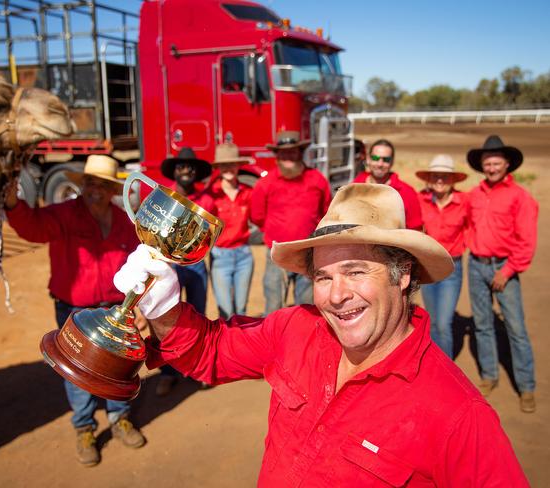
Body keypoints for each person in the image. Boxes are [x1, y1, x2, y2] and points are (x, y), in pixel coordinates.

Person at [113, 183, 528, 487]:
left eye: (356, 271)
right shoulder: (295, 327)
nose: (336, 295)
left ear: (403, 275)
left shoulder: (459, 414)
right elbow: (212, 353)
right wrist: (163, 306)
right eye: (323, 276)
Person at [5, 155, 146, 466]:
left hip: (113, 309)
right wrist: (14, 203)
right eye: (90, 182)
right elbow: (33, 227)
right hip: (73, 308)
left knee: (113, 368)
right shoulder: (64, 214)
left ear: (112, 190)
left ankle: (119, 418)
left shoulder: (124, 221)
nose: (95, 189)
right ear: (82, 185)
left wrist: (136, 305)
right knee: (77, 373)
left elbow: (136, 267)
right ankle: (84, 427)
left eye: (103, 184)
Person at [465, 135, 538, 413]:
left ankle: (526, 385)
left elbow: (526, 241)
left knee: (516, 328)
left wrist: (507, 271)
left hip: (503, 267)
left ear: (507, 164)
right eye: (487, 163)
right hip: (476, 265)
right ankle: (489, 376)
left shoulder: (521, 197)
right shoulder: (474, 194)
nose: (492, 167)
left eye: (496, 163)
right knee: (483, 324)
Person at [156, 146, 215, 396]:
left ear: (196, 172)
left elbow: (210, 235)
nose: (186, 170)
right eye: (181, 166)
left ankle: (196, 368)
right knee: (166, 318)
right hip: (168, 266)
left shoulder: (207, 201)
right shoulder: (164, 197)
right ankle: (169, 372)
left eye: (190, 167)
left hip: (197, 266)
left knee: (196, 318)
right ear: (175, 171)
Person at [251, 130, 331, 315]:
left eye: (293, 151)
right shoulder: (266, 183)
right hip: (276, 253)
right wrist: (276, 232)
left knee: (307, 306)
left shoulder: (317, 179)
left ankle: (303, 341)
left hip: (308, 251)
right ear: (277, 156)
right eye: (284, 152)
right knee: (273, 304)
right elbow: (257, 216)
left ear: (300, 153)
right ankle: (272, 341)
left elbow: (325, 211)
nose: (288, 156)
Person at [415, 154, 469, 358]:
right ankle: (436, 362)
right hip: (428, 267)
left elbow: (475, 226)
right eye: (435, 176)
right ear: (429, 178)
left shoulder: (464, 201)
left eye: (445, 176)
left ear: (453, 180)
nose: (439, 180)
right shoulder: (421, 200)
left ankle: (447, 369)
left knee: (444, 323)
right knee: (434, 320)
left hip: (452, 269)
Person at [206, 143, 255, 318]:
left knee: (241, 310)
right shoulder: (211, 194)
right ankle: (226, 345)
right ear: (218, 167)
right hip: (220, 256)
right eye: (224, 164)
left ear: (238, 166)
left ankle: (239, 344)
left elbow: (259, 216)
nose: (228, 168)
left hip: (244, 255)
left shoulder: (248, 192)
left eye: (232, 164)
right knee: (225, 311)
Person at [354, 139, 423, 230]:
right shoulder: (354, 187)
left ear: (392, 162)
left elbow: (415, 229)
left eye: (386, 159)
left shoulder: (407, 192)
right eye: (375, 158)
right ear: (368, 159)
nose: (380, 164)